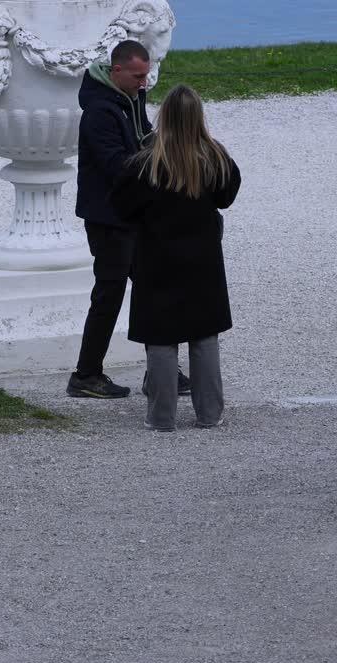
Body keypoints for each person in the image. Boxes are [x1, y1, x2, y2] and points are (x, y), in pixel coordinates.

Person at [109, 85, 240, 431]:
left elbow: (121, 205)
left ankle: (162, 417)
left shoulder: (146, 164)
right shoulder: (214, 158)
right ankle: (210, 414)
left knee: (161, 338)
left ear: (163, 117)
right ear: (199, 118)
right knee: (204, 335)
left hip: (157, 257)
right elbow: (227, 197)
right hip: (203, 258)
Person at [67, 39, 190, 400]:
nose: (144, 82)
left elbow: (140, 138)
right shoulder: (100, 111)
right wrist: (161, 162)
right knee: (110, 294)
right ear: (116, 71)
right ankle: (86, 375)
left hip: (131, 212)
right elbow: (116, 165)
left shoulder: (128, 98)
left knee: (152, 288)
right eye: (138, 76)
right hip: (109, 217)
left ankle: (161, 372)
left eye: (147, 75)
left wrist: (161, 146)